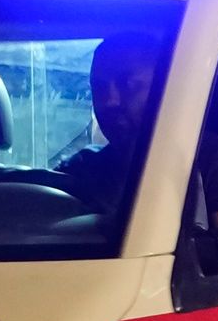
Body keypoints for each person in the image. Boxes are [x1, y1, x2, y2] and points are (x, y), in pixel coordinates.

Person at [56, 33, 164, 222]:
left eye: (128, 85)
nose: (109, 101)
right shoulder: (80, 171)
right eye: (99, 88)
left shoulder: (216, 162)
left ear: (164, 87)